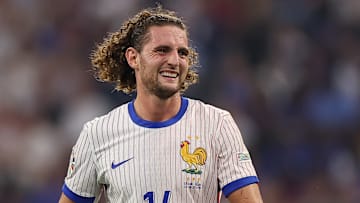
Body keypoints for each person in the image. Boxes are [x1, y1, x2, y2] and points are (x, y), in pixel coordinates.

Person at [58, 5, 263, 203]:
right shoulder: (97, 134)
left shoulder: (217, 124)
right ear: (133, 58)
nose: (175, 60)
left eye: (182, 53)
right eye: (162, 50)